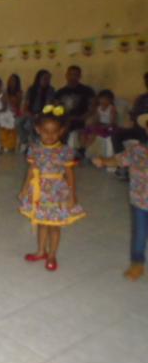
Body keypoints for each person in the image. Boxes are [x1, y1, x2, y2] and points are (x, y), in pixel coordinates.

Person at [19, 105, 86, 271]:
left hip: (57, 193)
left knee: (54, 226)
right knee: (42, 223)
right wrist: (25, 188)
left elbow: (69, 174)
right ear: (38, 130)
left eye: (54, 131)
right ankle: (41, 251)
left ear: (61, 131)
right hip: (40, 191)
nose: (50, 135)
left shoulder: (64, 150)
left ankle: (52, 255)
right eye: (45, 131)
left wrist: (72, 194)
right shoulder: (34, 149)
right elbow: (31, 170)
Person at [93, 112, 148, 281]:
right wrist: (103, 160)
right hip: (140, 202)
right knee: (140, 234)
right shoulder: (137, 150)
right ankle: (137, 264)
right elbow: (118, 160)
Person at [111, 72, 148, 180]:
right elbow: (133, 114)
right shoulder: (141, 98)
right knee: (117, 135)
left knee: (143, 140)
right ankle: (123, 166)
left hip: (145, 130)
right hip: (139, 127)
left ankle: (140, 168)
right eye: (146, 80)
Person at [54, 65, 95, 154]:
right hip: (64, 118)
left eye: (76, 75)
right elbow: (56, 108)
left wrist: (83, 117)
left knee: (67, 125)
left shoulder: (87, 90)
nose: (73, 77)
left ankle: (65, 150)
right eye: (70, 74)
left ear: (79, 76)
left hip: (80, 119)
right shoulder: (60, 92)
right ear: (66, 75)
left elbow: (92, 108)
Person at [19, 69, 55, 152]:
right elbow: (26, 105)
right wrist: (28, 113)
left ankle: (33, 144)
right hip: (31, 113)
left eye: (48, 79)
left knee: (32, 123)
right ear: (39, 79)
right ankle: (24, 141)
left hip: (44, 114)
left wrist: (40, 114)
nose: (47, 81)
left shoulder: (50, 90)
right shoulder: (31, 90)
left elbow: (49, 105)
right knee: (18, 122)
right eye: (45, 79)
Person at [82, 89, 117, 154]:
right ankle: (83, 146)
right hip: (100, 125)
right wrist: (92, 124)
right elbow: (97, 119)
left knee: (94, 133)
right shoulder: (98, 108)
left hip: (109, 127)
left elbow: (112, 122)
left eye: (105, 99)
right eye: (101, 99)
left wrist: (104, 126)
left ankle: (86, 148)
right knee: (85, 131)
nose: (103, 101)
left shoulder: (111, 108)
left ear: (110, 100)